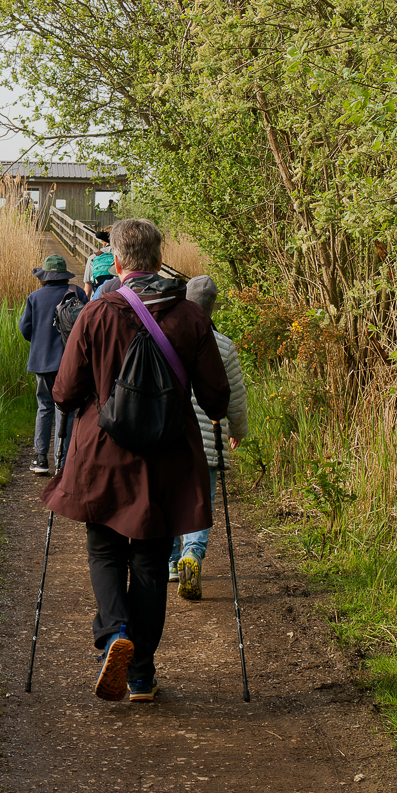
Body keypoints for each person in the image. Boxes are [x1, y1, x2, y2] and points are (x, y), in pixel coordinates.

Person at [44, 219, 230, 703]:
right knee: (149, 561)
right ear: (159, 256)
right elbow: (216, 398)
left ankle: (114, 633)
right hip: (165, 459)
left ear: (118, 261)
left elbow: (63, 393)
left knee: (105, 548)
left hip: (102, 456)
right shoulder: (190, 316)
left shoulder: (97, 312)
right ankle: (142, 676)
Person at [169, 275, 250, 601]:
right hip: (209, 439)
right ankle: (193, 555)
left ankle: (173, 562)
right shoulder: (225, 345)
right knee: (201, 503)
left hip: (170, 436)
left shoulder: (166, 334)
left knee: (171, 499)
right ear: (213, 305)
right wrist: (239, 430)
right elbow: (236, 397)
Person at [18, 254, 84, 474]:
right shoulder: (77, 293)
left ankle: (40, 459)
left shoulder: (34, 297)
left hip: (42, 360)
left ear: (45, 276)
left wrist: (39, 342)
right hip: (70, 362)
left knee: (44, 406)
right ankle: (62, 463)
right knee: (66, 410)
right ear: (64, 275)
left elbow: (25, 328)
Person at [83, 229, 117, 298]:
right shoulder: (124, 257)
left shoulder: (93, 258)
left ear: (104, 243)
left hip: (98, 300)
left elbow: (87, 290)